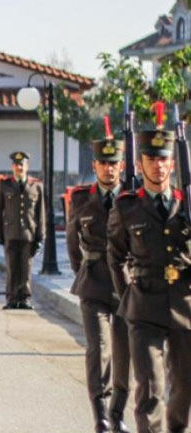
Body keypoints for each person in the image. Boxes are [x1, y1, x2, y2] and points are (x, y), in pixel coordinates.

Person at [107, 124, 191, 433]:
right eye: (151, 159)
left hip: (185, 306)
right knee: (150, 389)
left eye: (163, 159)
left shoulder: (187, 203)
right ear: (140, 164)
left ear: (172, 163)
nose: (158, 165)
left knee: (184, 389)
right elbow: (115, 256)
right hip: (144, 306)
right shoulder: (126, 207)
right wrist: (127, 295)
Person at [66, 137, 130, 433]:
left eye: (113, 163)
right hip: (93, 284)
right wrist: (83, 271)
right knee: (99, 348)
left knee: (125, 350)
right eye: (103, 163)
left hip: (127, 285)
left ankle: (118, 413)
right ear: (95, 166)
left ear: (122, 166)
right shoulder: (81, 199)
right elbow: (71, 244)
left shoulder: (132, 199)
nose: (108, 168)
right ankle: (101, 414)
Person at [0, 151, 45, 309]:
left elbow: (40, 213)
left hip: (28, 234)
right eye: (16, 165)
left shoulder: (36, 186)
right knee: (11, 268)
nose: (19, 167)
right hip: (10, 233)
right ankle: (11, 298)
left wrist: (40, 236)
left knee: (26, 268)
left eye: (22, 164)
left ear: (27, 166)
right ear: (12, 167)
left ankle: (25, 299)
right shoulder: (5, 185)